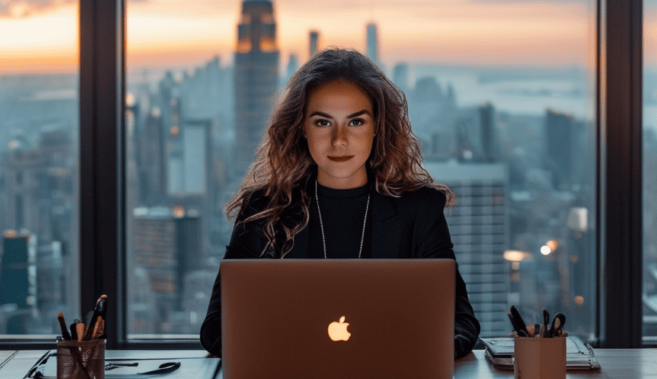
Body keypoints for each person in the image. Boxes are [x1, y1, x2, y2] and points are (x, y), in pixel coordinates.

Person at [200, 48, 481, 358]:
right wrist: (294, 354)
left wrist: (409, 356)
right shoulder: (263, 209)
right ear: (301, 129)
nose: (339, 140)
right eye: (323, 123)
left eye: (356, 122)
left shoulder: (420, 210)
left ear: (377, 127)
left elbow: (461, 322)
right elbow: (215, 329)